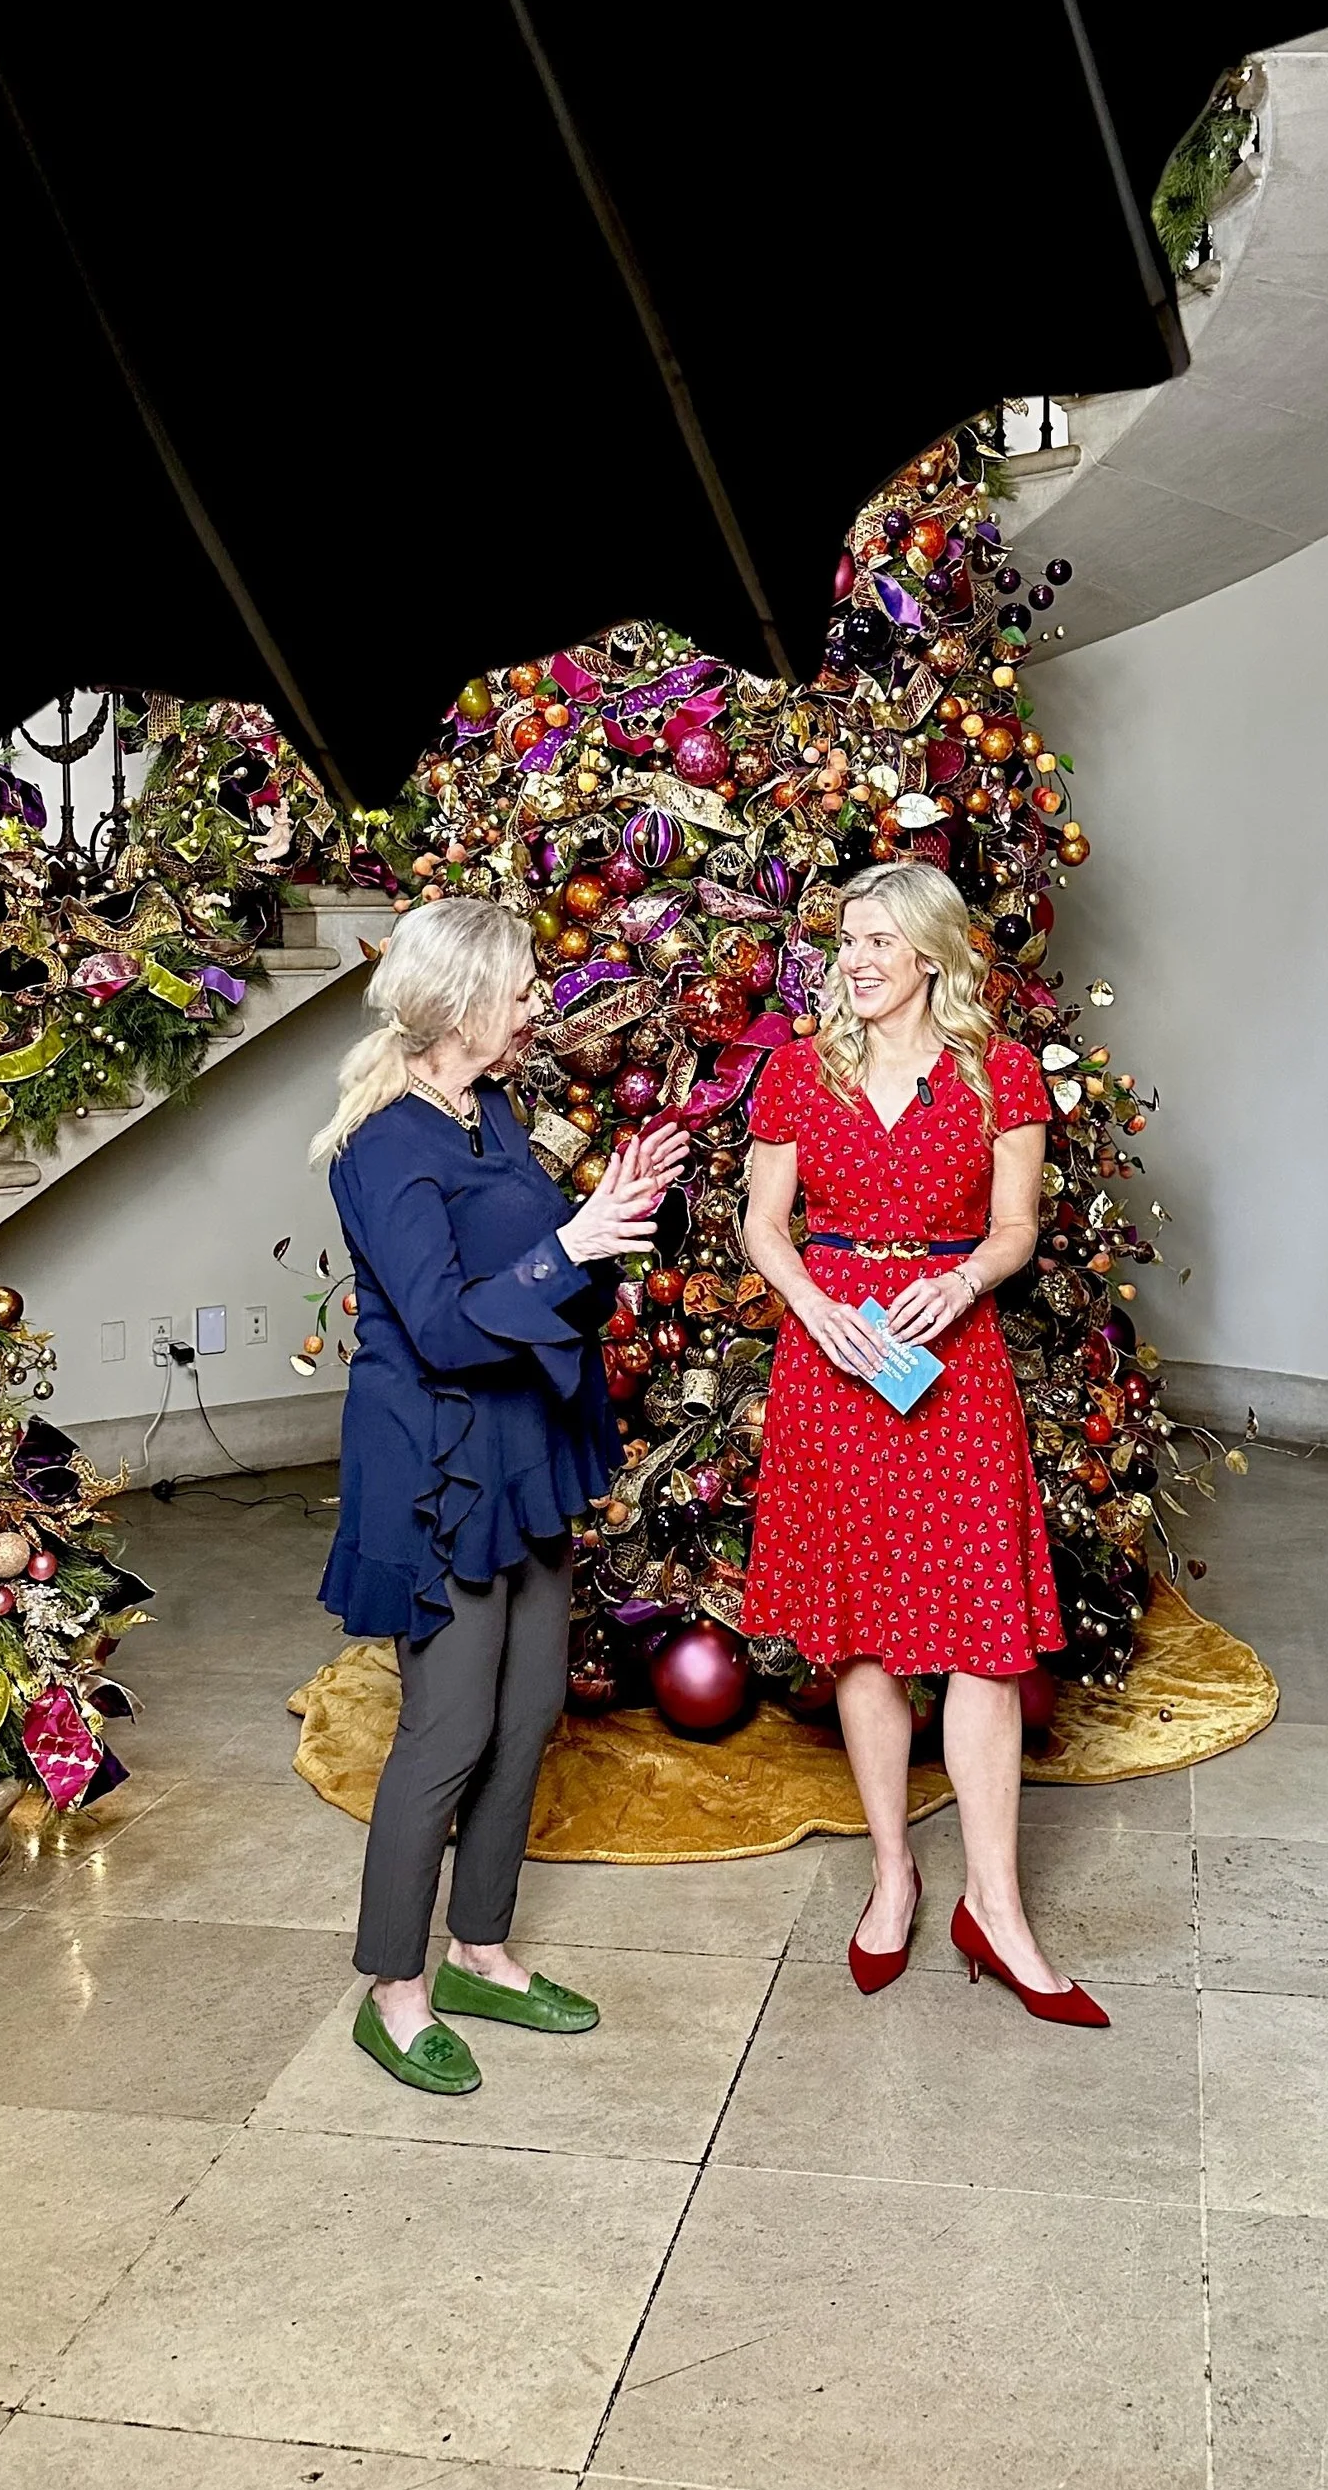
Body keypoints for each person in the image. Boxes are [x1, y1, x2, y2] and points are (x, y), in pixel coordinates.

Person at [311, 897, 688, 2093]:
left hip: (522, 1445)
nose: (538, 1005)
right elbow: (435, 1325)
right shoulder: (384, 1146)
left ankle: (478, 1949)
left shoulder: (491, 1112)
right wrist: (567, 1248)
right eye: (523, 989)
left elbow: (539, 1282)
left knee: (529, 1712)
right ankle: (396, 1987)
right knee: (449, 1727)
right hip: (436, 1463)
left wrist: (609, 1222)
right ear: (464, 1002)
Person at [740, 861, 1108, 2027]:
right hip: (836, 1359)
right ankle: (893, 1875)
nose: (853, 960)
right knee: (855, 1631)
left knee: (985, 1640)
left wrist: (961, 1284)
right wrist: (817, 1310)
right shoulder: (798, 1071)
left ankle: (995, 1905)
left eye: (878, 944)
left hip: (953, 1362)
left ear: (933, 958)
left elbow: (1016, 1228)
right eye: (846, 940)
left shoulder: (996, 1072)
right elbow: (761, 1226)